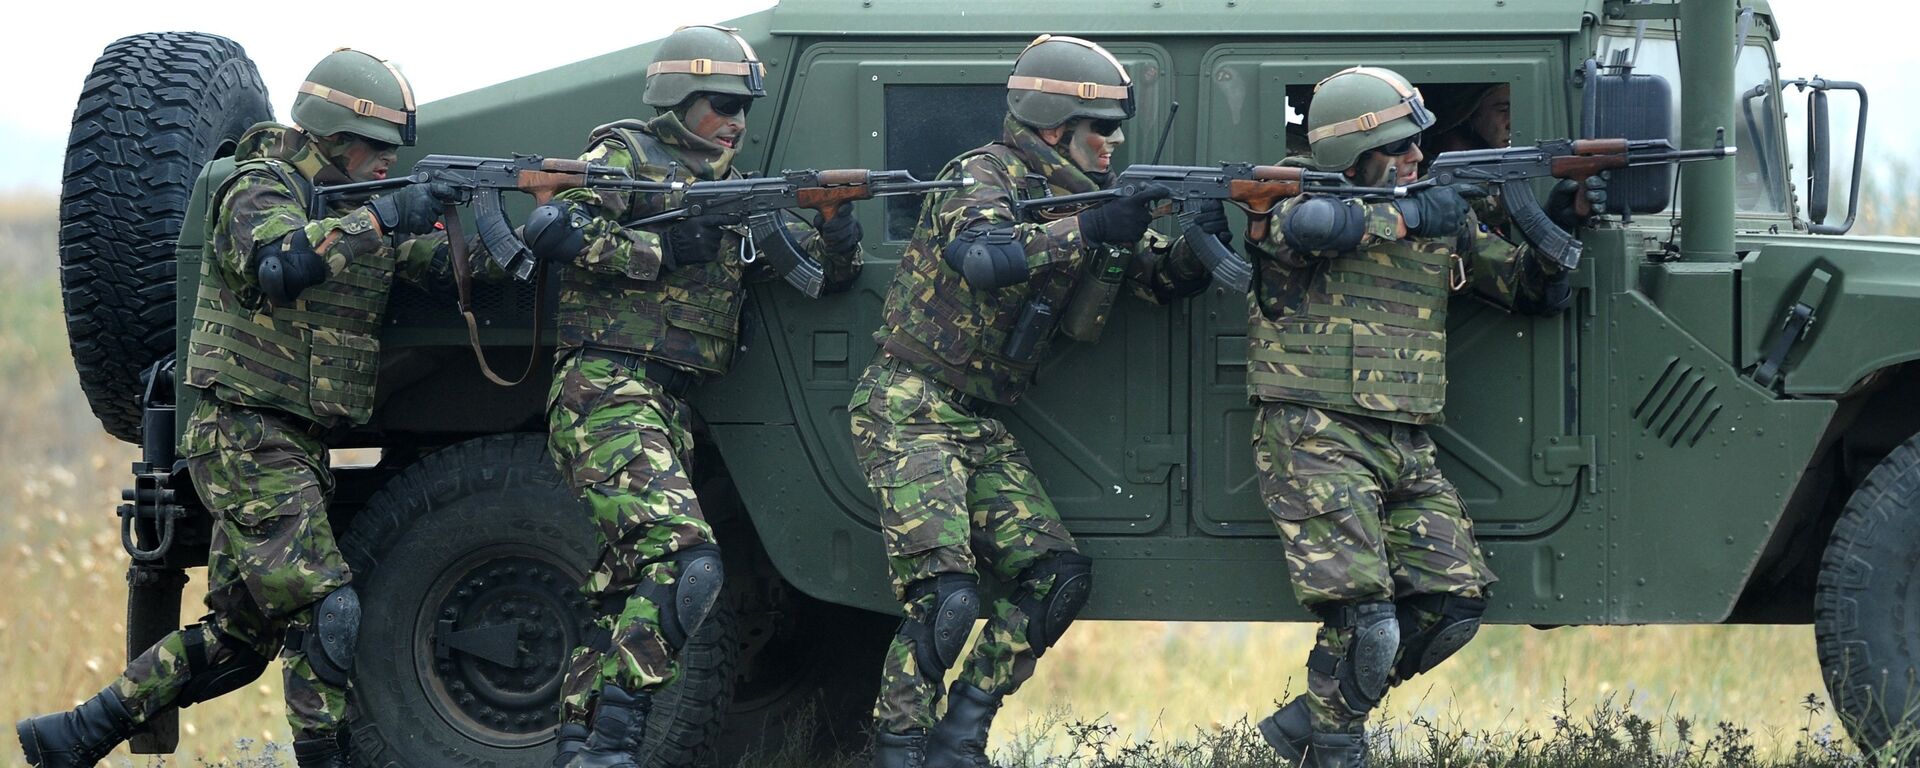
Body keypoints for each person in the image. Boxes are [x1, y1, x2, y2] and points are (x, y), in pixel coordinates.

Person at [16, 49, 464, 768]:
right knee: (328, 611)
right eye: (375, 148)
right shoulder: (258, 187)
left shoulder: (354, 210)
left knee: (239, 641)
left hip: (294, 445)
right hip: (243, 435)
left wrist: (510, 231)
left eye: (393, 153)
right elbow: (280, 263)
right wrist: (383, 218)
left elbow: (433, 266)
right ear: (329, 133)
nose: (386, 163)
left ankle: (73, 735)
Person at [851, 34, 1228, 768]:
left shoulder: (1089, 200)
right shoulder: (982, 175)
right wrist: (1091, 224)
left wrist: (1201, 240)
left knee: (1055, 580)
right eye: (1103, 130)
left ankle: (958, 739)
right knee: (948, 599)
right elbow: (983, 256)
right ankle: (896, 748)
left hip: (975, 418)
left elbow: (1155, 279)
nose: (1115, 144)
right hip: (910, 404)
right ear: (1055, 124)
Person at [518, 24, 865, 768]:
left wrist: (837, 227)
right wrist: (665, 248)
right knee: (686, 565)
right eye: (721, 102)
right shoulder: (629, 155)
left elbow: (820, 278)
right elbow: (554, 227)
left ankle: (580, 747)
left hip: (665, 407)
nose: (737, 119)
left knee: (625, 593)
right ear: (678, 98)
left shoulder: (735, 192)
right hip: (606, 387)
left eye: (745, 105)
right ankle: (613, 746)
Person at [1241, 66, 1585, 768]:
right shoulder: (1292, 193)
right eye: (1400, 149)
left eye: (1415, 147)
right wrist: (1406, 213)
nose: (1416, 160)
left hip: (1403, 439)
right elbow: (1311, 229)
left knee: (1452, 607)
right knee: (1365, 623)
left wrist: (1559, 218)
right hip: (1315, 435)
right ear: (1351, 152)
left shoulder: (1436, 208)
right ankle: (1337, 751)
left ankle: (1309, 719)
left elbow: (1524, 287)